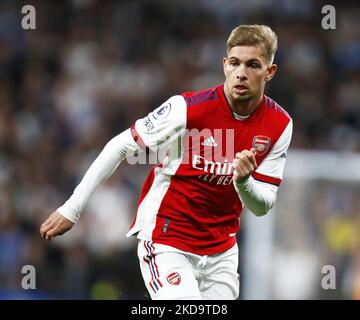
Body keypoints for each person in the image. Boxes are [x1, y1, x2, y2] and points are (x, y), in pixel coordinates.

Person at [40, 24, 293, 300]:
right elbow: (121, 145)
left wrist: (243, 182)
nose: (241, 73)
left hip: (221, 251)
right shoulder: (188, 108)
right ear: (224, 65)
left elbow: (262, 205)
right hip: (166, 238)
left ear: (270, 71)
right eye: (235, 63)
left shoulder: (279, 124)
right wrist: (72, 209)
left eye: (253, 65)